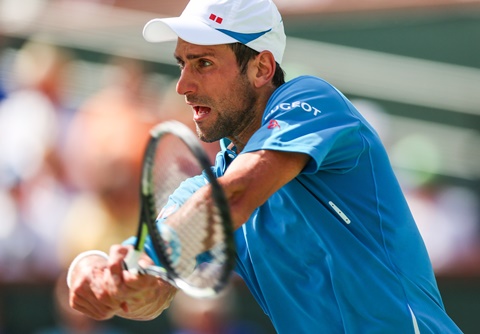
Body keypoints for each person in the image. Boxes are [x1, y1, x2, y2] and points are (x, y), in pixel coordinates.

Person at [67, 0, 462, 332]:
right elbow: (154, 294)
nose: (183, 85)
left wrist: (152, 253)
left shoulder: (312, 101)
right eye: (181, 64)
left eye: (203, 63)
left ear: (262, 68)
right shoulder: (203, 192)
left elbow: (235, 195)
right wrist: (102, 274)